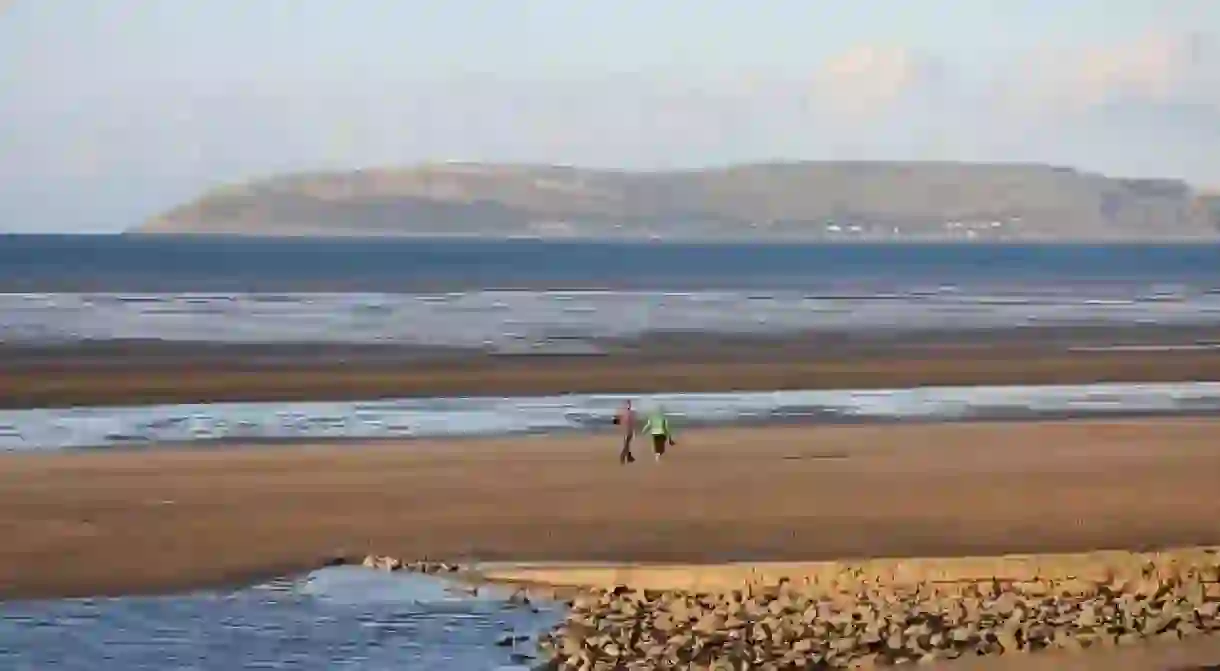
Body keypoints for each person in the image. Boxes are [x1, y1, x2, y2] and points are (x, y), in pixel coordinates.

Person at [613, 399, 636, 464]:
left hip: (629, 430)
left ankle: (628, 457)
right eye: (628, 404)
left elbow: (631, 423)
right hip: (626, 431)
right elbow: (619, 421)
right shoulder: (626, 413)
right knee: (626, 445)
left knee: (627, 444)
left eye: (629, 404)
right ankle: (623, 456)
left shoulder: (628, 413)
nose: (629, 405)